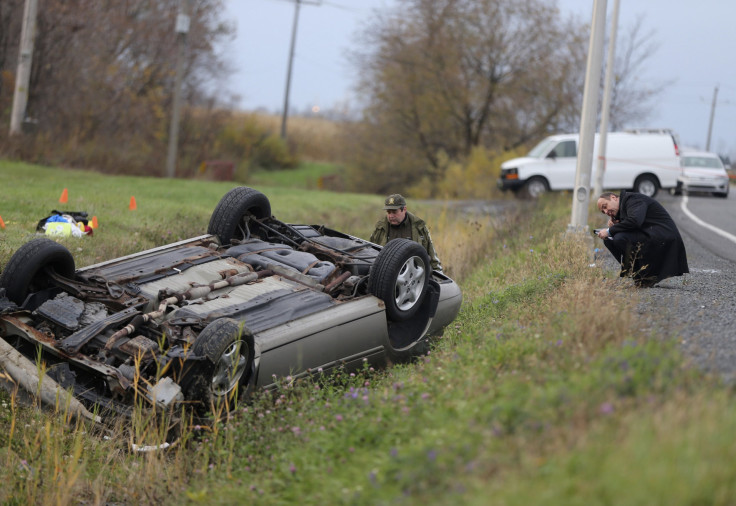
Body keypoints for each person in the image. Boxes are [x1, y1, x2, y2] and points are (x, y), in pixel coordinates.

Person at [596, 190, 688, 287]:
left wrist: (610, 230)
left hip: (663, 237)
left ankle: (646, 276)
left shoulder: (633, 199)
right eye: (603, 212)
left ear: (613, 198)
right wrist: (616, 225)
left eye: (605, 207)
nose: (606, 212)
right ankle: (637, 274)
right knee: (610, 240)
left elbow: (635, 221)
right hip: (652, 234)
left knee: (619, 238)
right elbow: (635, 225)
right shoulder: (625, 204)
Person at [370, 193, 443, 272]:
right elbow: (370, 253)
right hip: (386, 274)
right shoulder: (380, 228)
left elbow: (433, 257)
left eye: (394, 212)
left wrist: (440, 278)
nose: (391, 216)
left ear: (404, 209)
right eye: (388, 212)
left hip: (414, 275)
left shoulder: (419, 227)